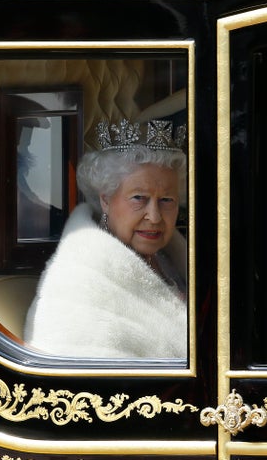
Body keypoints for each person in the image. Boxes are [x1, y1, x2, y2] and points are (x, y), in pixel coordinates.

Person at [23, 117, 188, 359]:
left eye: (166, 200)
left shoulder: (170, 259)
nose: (154, 217)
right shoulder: (78, 282)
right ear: (106, 200)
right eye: (139, 198)